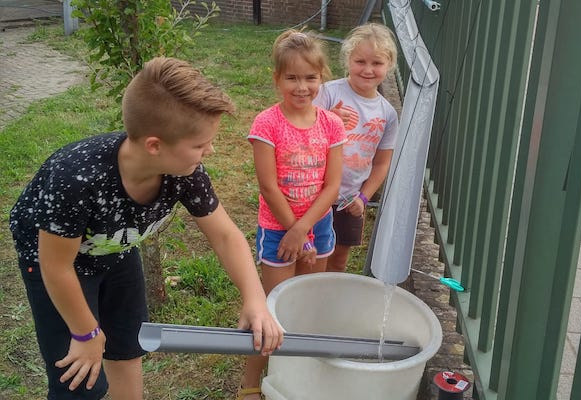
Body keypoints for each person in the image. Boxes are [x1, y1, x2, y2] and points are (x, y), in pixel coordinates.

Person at [9, 56, 283, 400]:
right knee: (80, 379)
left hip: (116, 249)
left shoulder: (185, 173)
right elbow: (56, 266)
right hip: (55, 265)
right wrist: (85, 334)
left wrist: (255, 299)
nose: (209, 151)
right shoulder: (76, 178)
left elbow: (226, 236)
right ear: (154, 145)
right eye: (200, 145)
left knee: (126, 347)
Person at [237, 29, 346, 399]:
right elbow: (268, 186)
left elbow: (332, 186)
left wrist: (307, 232)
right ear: (277, 79)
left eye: (310, 77)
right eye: (292, 77)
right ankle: (250, 383)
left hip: (319, 229)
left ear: (322, 77)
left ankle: (297, 377)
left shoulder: (332, 124)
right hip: (278, 231)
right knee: (272, 310)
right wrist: (294, 232)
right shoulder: (267, 123)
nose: (302, 86)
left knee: (307, 307)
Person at [313, 23, 399, 273]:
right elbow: (304, 135)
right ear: (347, 59)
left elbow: (382, 163)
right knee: (313, 254)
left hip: (350, 199)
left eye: (377, 63)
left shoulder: (388, 114)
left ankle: (329, 304)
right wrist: (329, 118)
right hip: (315, 192)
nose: (368, 69)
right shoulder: (328, 93)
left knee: (339, 258)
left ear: (389, 65)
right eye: (360, 61)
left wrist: (364, 197)